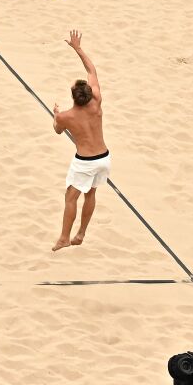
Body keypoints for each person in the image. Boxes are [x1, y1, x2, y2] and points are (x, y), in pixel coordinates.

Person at [50, 30, 107, 251]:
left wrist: (55, 115)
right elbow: (91, 69)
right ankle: (81, 233)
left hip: (85, 161)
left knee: (71, 197)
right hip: (104, 157)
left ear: (74, 96)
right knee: (90, 193)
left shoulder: (66, 116)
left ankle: (65, 237)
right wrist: (78, 48)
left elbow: (57, 130)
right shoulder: (97, 101)